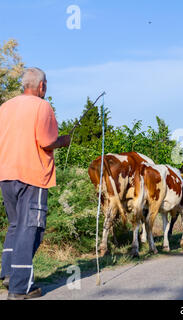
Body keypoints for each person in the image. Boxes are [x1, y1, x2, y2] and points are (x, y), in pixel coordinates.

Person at [0, 67, 70, 300]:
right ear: (41, 86)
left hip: (6, 175)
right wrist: (64, 141)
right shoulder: (43, 106)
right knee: (31, 229)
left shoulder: (5, 107)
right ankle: (20, 288)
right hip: (32, 175)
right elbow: (46, 141)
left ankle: (8, 275)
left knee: (15, 226)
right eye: (46, 85)